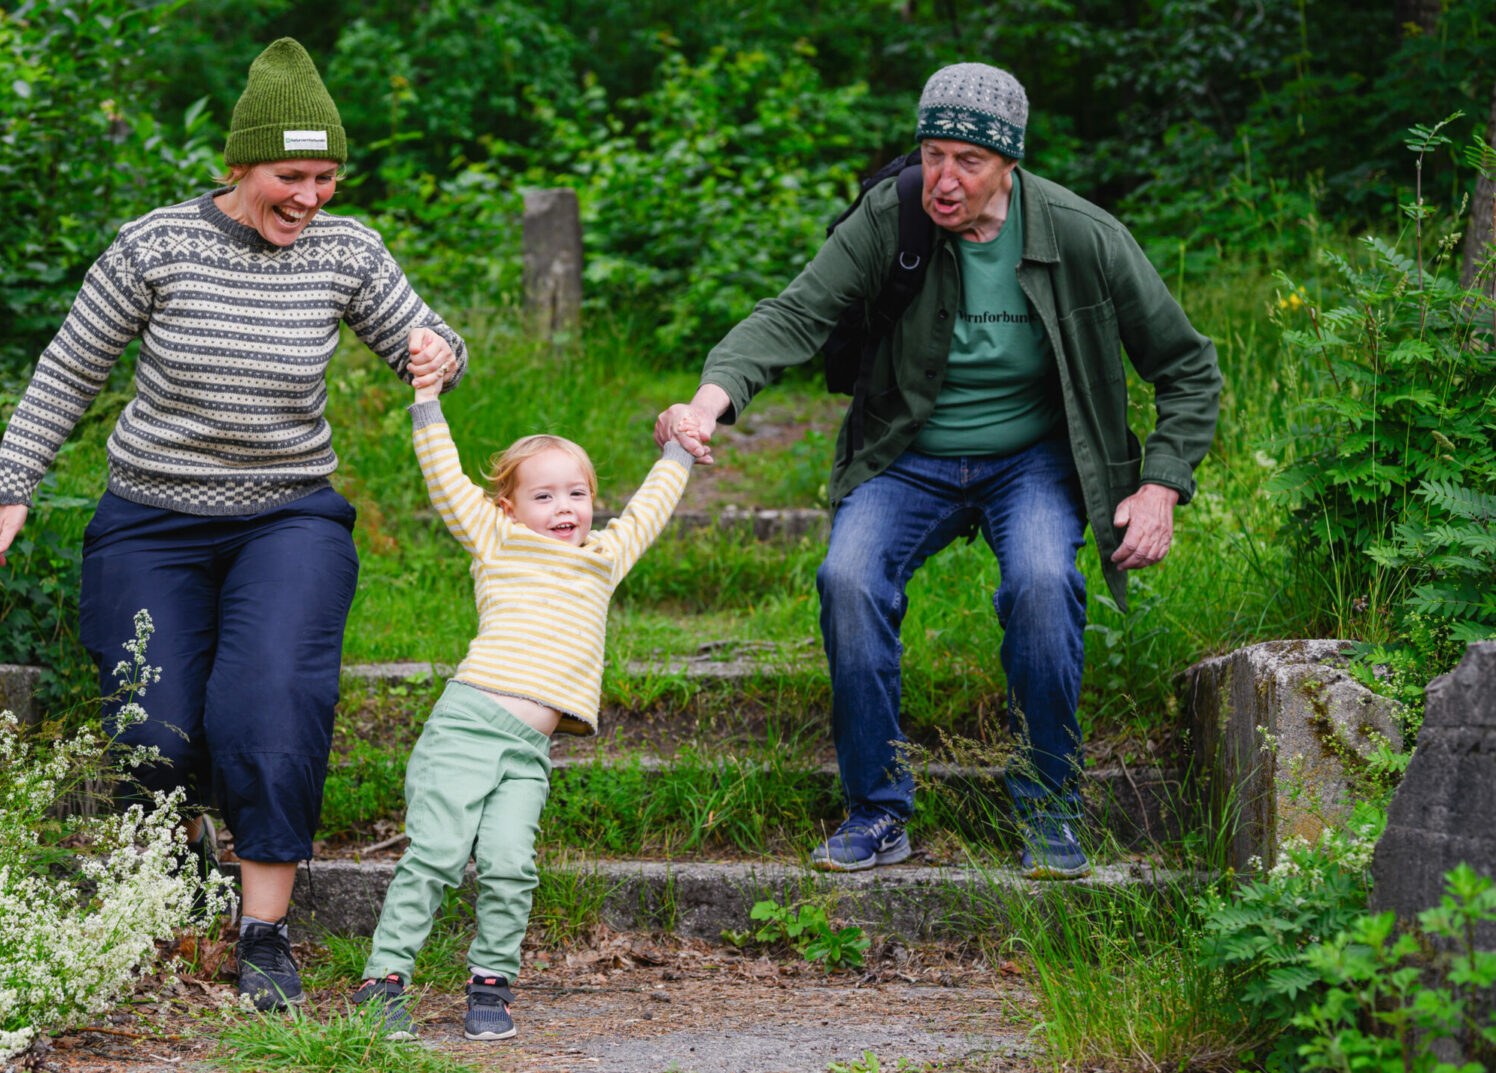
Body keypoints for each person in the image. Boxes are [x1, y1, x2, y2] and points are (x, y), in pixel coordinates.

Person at [0, 38, 468, 1009]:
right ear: (238, 167)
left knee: (271, 704)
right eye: (292, 175)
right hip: (149, 522)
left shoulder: (347, 250)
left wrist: (433, 354)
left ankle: (263, 934)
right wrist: (15, 486)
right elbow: (69, 368)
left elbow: (435, 339)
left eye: (327, 176)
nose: (311, 196)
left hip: (289, 519)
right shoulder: (157, 245)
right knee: (154, 732)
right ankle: (182, 840)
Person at [654, 62, 1221, 880]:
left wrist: (1161, 484)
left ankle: (1050, 800)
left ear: (1010, 163)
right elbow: (793, 312)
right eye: (931, 154)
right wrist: (708, 403)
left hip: (1033, 458)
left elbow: (1188, 365)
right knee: (847, 578)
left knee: (1038, 580)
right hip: (906, 453)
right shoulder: (892, 217)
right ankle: (879, 808)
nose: (943, 180)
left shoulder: (1082, 235)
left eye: (967, 160)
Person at [349, 365, 696, 1041]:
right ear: (510, 508)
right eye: (544, 495)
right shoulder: (496, 539)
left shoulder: (603, 555)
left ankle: (490, 984)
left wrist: (679, 446)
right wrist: (426, 398)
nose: (564, 506)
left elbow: (652, 505)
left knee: (510, 862)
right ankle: (381, 981)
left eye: (577, 492)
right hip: (468, 726)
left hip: (528, 749)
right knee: (440, 854)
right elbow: (445, 478)